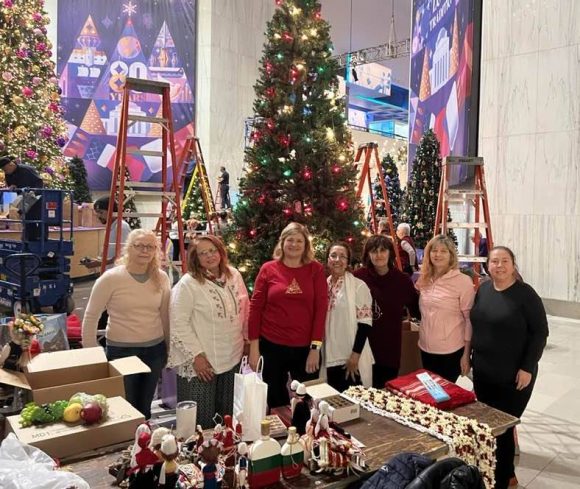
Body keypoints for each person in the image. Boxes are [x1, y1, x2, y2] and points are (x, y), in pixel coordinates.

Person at [469, 246, 548, 489]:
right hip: (484, 372)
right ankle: (502, 473)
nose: (499, 266)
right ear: (488, 265)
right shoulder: (483, 289)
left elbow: (540, 333)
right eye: (495, 261)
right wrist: (468, 356)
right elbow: (476, 326)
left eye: (505, 261)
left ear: (513, 265)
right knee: (489, 425)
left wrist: (527, 367)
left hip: (514, 376)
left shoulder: (526, 295)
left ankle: (502, 479)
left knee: (502, 426)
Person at [82, 229, 171, 419]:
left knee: (144, 408)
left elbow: (165, 315)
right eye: (139, 245)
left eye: (150, 247)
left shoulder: (161, 278)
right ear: (128, 248)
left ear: (156, 251)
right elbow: (91, 316)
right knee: (125, 409)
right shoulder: (111, 278)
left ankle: (144, 437)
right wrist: (92, 353)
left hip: (154, 351)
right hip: (121, 352)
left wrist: (168, 347)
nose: (145, 251)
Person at [168, 235, 249, 428]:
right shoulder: (189, 283)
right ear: (195, 258)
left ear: (220, 251)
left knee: (226, 417)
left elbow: (245, 308)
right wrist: (196, 356)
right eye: (202, 253)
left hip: (232, 357)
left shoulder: (233, 275)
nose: (209, 256)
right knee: (200, 422)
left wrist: (246, 340)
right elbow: (178, 323)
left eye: (212, 250)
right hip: (202, 362)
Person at [248, 222, 328, 408]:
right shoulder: (268, 269)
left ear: (306, 245)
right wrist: (254, 347)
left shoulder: (315, 269)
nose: (294, 244)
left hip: (305, 348)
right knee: (275, 400)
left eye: (299, 241)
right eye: (290, 240)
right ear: (282, 242)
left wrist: (315, 349)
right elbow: (255, 308)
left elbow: (321, 310)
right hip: (272, 346)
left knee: (307, 401)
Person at [354, 234, 419, 388]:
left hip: (389, 347)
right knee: (359, 392)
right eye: (374, 251)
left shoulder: (402, 280)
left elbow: (417, 310)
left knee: (384, 391)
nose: (379, 255)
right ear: (368, 254)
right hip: (361, 346)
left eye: (383, 250)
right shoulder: (357, 278)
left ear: (390, 253)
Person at [415, 235, 474, 383]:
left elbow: (469, 320)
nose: (438, 254)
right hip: (426, 348)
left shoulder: (463, 281)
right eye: (434, 250)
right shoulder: (424, 279)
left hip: (451, 351)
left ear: (451, 255)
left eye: (443, 251)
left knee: (445, 393)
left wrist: (466, 354)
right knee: (431, 391)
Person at [324, 242, 374, 391]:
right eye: (333, 255)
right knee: (331, 399)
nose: (337, 260)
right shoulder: (324, 285)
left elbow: (365, 324)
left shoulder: (359, 286)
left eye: (342, 256)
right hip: (328, 355)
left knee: (352, 400)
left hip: (350, 358)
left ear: (347, 262)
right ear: (327, 259)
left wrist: (355, 356)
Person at [82, 196, 131, 270]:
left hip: (118, 272)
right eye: (97, 212)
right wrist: (97, 261)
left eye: (101, 212)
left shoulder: (121, 227)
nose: (98, 215)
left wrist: (100, 263)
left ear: (112, 211)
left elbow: (124, 255)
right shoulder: (110, 227)